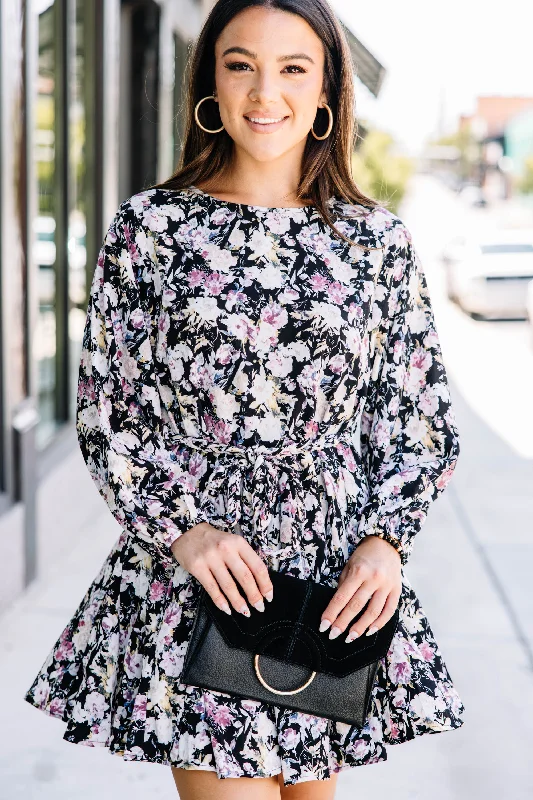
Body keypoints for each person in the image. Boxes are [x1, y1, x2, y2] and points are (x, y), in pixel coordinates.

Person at [24, 1, 466, 798]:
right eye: (240, 65)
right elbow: (108, 411)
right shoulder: (154, 229)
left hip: (331, 584)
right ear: (211, 84)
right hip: (202, 578)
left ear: (329, 90)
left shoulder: (376, 243)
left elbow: (417, 418)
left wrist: (384, 542)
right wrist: (181, 532)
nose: (265, 93)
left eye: (293, 68)